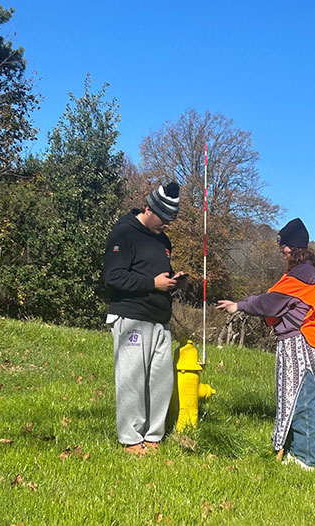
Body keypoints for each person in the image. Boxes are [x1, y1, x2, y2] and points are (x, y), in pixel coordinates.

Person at [216, 218, 315, 470]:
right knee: (291, 398)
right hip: (292, 342)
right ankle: (296, 453)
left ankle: (306, 459)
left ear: (295, 248)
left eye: (284, 249)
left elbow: (270, 302)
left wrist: (238, 305)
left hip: (301, 343)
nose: (282, 253)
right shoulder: (299, 273)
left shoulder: (302, 275)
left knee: (302, 400)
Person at [104, 182, 187, 455]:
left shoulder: (163, 241)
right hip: (131, 317)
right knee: (132, 379)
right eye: (163, 218)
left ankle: (153, 436)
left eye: (170, 220)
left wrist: (173, 281)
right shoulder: (124, 233)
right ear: (148, 208)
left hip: (160, 319)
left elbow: (160, 273)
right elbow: (113, 277)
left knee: (161, 382)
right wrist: (153, 284)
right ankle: (130, 439)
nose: (166, 224)